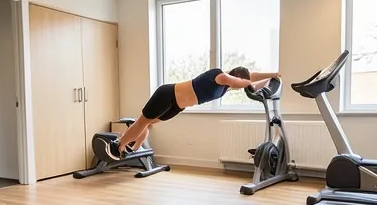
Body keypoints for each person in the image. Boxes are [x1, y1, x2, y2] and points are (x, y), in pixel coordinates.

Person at [106, 66, 281, 160]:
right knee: (143, 122)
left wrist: (272, 76)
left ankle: (131, 148)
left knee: (147, 122)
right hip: (167, 94)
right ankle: (118, 145)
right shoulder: (220, 76)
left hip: (177, 106)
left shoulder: (226, 87)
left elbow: (252, 79)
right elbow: (243, 82)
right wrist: (249, 82)